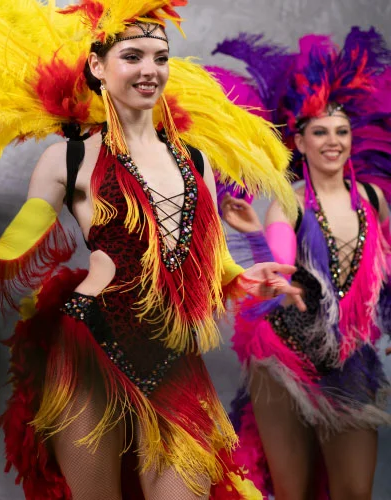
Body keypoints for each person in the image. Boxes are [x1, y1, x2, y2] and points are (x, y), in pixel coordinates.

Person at [0, 0, 303, 497]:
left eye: (160, 58)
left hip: (172, 353)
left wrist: (245, 279)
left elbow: (205, 258)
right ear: (97, 66)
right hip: (91, 347)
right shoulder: (68, 159)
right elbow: (10, 251)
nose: (150, 70)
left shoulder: (196, 161)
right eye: (133, 56)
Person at [212, 28, 391, 500]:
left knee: (355, 491)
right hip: (284, 357)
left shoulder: (374, 200)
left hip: (350, 361)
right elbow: (280, 259)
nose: (333, 142)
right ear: (301, 141)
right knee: (295, 492)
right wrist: (258, 240)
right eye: (320, 132)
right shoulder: (288, 203)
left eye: (341, 131)